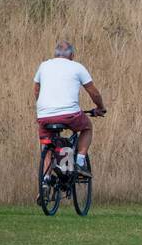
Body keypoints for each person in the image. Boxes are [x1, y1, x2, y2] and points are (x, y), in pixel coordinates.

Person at [34, 40, 106, 190]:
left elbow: (36, 90)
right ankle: (79, 162)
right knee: (87, 127)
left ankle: (45, 181)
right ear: (72, 55)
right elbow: (93, 92)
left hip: (44, 115)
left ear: (55, 54)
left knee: (46, 142)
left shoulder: (44, 66)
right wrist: (100, 107)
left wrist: (44, 108)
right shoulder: (77, 67)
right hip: (70, 114)